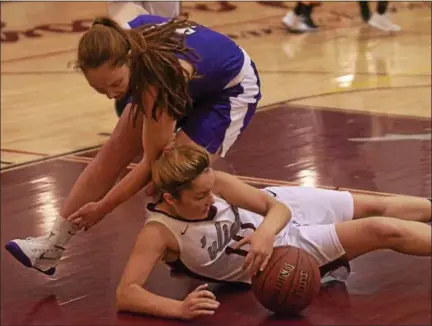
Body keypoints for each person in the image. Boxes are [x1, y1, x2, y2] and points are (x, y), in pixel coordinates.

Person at [5, 14, 261, 275]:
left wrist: (103, 208)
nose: (112, 94)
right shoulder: (117, 38)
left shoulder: (158, 82)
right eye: (100, 89)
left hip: (229, 90)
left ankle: (241, 235)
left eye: (115, 84)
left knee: (177, 176)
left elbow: (151, 165)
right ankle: (51, 246)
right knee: (115, 149)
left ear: (129, 58)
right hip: (183, 80)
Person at [115, 145, 431, 320]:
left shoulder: (215, 183)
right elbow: (126, 292)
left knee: (374, 206)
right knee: (382, 229)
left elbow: (276, 208)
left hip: (279, 212)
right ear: (170, 199)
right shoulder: (158, 233)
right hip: (287, 251)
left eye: (211, 189)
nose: (212, 198)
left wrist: (265, 232)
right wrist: (178, 309)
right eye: (200, 197)